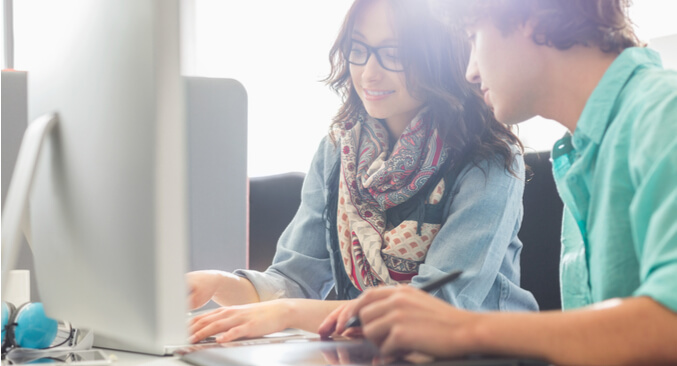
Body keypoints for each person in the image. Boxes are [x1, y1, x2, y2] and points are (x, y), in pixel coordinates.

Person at [320, 0, 677, 364]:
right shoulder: (588, 149)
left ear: (528, 15)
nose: (470, 72)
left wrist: (461, 328)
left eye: (474, 37)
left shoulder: (665, 113)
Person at [187, 0, 538, 344]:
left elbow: (433, 309)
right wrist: (218, 284)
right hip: (370, 351)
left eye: (394, 54)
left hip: (485, 353)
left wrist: (290, 313)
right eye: (359, 49)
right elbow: (294, 278)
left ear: (440, 56)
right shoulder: (339, 149)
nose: (369, 72)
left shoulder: (488, 160)